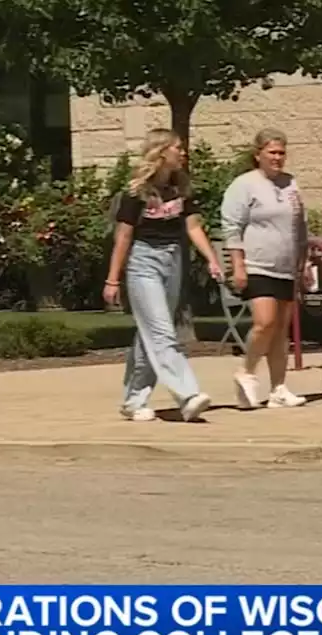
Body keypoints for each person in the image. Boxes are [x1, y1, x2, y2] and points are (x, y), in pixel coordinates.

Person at [102, 128, 224, 422]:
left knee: (150, 335)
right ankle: (188, 394)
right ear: (161, 152)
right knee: (161, 333)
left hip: (173, 259)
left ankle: (133, 400)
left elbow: (193, 227)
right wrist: (113, 278)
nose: (183, 153)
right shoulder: (136, 192)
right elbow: (124, 236)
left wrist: (212, 259)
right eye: (177, 148)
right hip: (143, 262)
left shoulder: (181, 188)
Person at [220, 128, 311, 409]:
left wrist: (304, 262)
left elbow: (300, 226)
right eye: (272, 152)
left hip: (286, 265)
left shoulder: (291, 184)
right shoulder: (244, 184)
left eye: (282, 153)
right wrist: (238, 265)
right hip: (257, 264)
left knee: (281, 329)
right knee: (265, 322)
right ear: (258, 154)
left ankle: (278, 388)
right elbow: (232, 226)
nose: (277, 158)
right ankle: (246, 372)